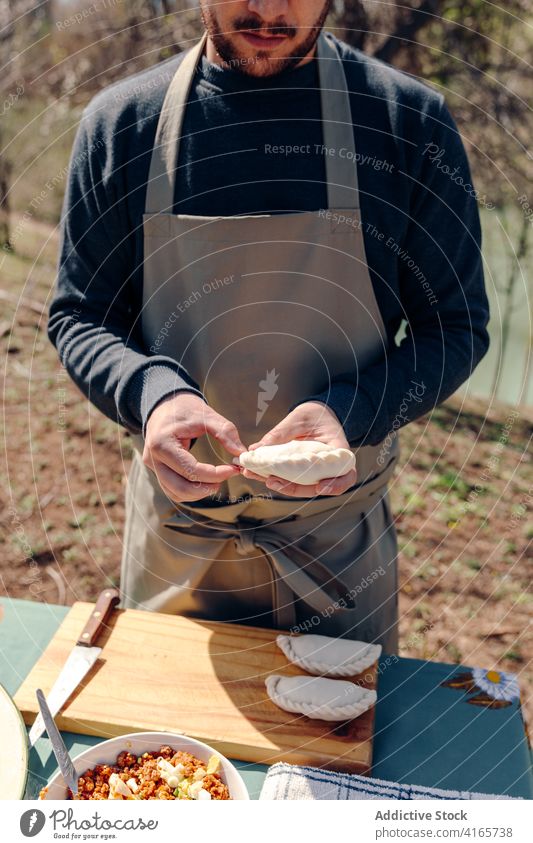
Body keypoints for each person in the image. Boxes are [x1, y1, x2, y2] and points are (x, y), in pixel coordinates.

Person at [48, 1, 490, 653]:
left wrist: (353, 411)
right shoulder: (122, 125)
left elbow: (456, 325)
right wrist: (153, 395)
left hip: (339, 554)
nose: (269, 9)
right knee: (160, 754)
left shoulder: (406, 124)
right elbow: (81, 314)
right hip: (176, 545)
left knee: (332, 749)